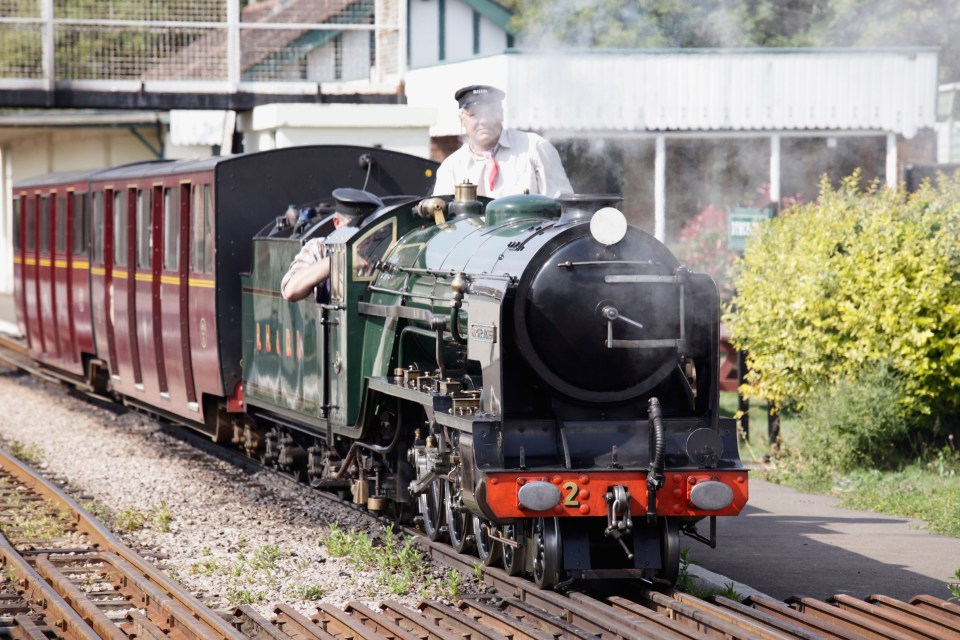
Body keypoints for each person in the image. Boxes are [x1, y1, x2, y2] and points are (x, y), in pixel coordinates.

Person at [432, 84, 573, 198]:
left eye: (489, 112)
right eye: (474, 115)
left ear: (501, 114)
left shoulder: (534, 147)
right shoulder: (451, 167)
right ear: (462, 120)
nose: (484, 121)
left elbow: (563, 205)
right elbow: (443, 220)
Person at [280, 188, 382, 302]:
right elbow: (291, 290)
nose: (366, 234)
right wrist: (335, 261)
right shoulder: (319, 248)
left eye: (371, 227)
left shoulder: (384, 251)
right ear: (337, 223)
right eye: (357, 227)